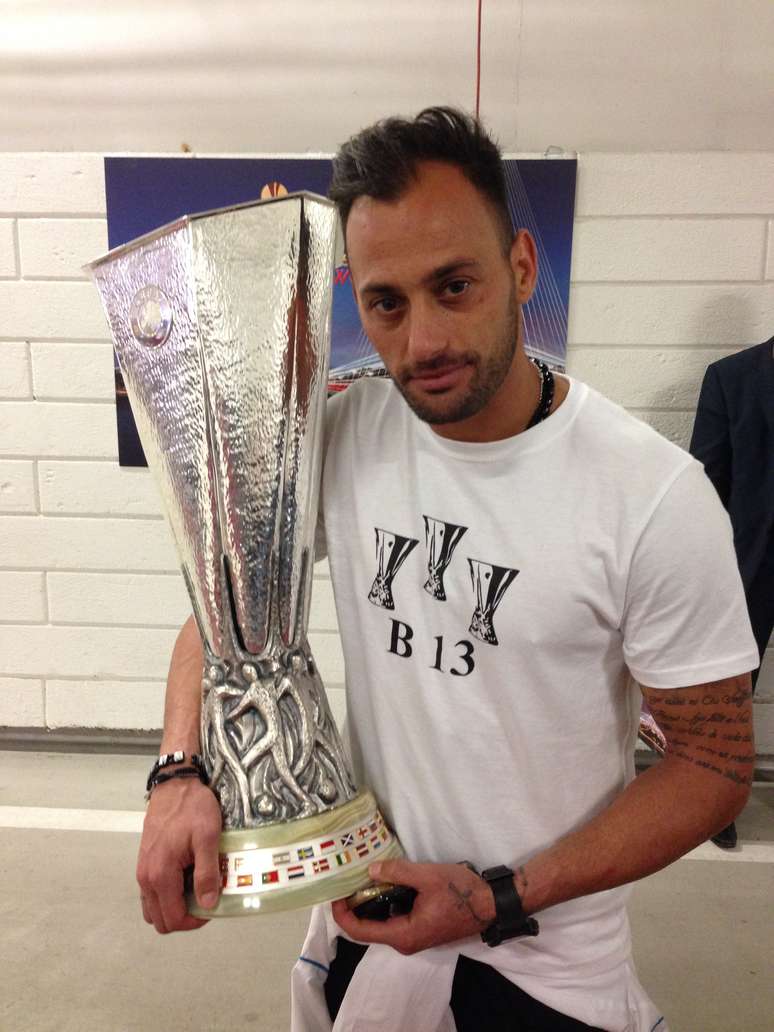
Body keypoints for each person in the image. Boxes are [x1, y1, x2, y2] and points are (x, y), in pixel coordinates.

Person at [137, 108, 759, 1032]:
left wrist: (496, 894)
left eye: (455, 285)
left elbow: (713, 762)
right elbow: (220, 608)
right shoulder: (344, 436)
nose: (422, 340)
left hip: (544, 960)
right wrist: (180, 770)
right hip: (363, 912)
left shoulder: (654, 496)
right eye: (387, 302)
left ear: (521, 268)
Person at [688, 337, 774, 848]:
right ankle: (717, 800)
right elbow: (706, 481)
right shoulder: (731, 376)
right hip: (751, 556)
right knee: (729, 682)